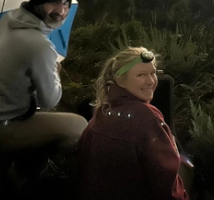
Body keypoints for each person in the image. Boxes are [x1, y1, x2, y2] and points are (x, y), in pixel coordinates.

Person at [0, 0, 88, 156]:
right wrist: (55, 72)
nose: (61, 11)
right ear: (38, 3)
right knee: (78, 127)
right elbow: (50, 100)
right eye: (53, 2)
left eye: (66, 3)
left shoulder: (9, 19)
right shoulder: (39, 45)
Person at [77, 47, 188, 200]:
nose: (151, 81)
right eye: (141, 75)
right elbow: (166, 185)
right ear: (120, 80)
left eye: (153, 73)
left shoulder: (102, 111)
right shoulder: (148, 117)